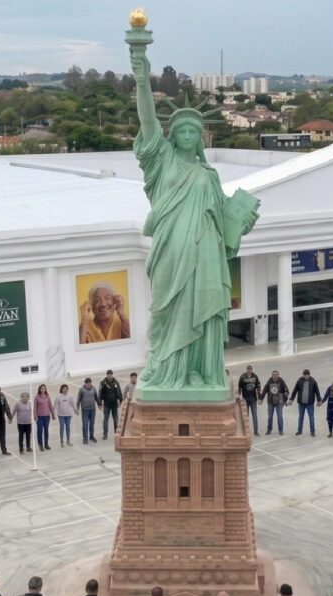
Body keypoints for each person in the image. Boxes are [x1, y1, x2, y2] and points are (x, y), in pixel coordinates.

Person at [129, 43, 256, 394]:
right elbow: (147, 119)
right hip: (170, 249)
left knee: (204, 309)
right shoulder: (161, 161)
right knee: (167, 311)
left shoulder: (209, 175)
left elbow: (222, 217)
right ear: (172, 135)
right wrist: (142, 77)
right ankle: (166, 369)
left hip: (206, 253)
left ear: (200, 138)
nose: (186, 135)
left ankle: (199, 371)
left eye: (193, 132)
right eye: (181, 130)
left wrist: (240, 222)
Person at [288, 369, 322, 437]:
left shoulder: (313, 381)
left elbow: (317, 392)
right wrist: (291, 399)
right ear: (303, 375)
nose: (306, 376)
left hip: (310, 403)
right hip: (301, 403)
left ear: (309, 375)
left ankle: (312, 431)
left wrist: (319, 400)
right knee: (300, 417)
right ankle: (299, 430)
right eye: (304, 375)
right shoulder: (299, 381)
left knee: (311, 417)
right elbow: (295, 390)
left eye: (307, 375)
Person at [259, 371, 289, 436]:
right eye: (274, 375)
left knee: (279, 416)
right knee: (270, 416)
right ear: (272, 375)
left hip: (279, 402)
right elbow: (264, 390)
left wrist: (285, 401)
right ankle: (269, 429)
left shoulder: (281, 381)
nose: (275, 376)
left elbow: (286, 391)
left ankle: (281, 430)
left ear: (278, 375)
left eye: (276, 375)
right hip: (270, 402)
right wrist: (261, 399)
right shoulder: (269, 382)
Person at [238, 366, 262, 436]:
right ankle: (246, 431)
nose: (249, 371)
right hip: (245, 398)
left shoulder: (255, 376)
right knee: (246, 416)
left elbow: (258, 387)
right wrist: (239, 396)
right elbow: (239, 386)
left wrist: (259, 397)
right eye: (248, 369)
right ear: (246, 370)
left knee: (254, 415)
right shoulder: (242, 377)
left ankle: (256, 430)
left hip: (253, 399)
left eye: (250, 369)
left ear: (251, 370)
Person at [99, 370, 123, 439]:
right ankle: (105, 434)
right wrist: (100, 403)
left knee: (116, 420)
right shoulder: (103, 383)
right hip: (106, 404)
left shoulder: (116, 382)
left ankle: (116, 433)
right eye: (108, 374)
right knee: (105, 419)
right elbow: (100, 393)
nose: (109, 376)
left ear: (112, 375)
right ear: (107, 375)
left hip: (114, 404)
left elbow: (119, 391)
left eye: (111, 374)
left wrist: (120, 401)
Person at [77, 378, 100, 445]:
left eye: (89, 382)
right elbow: (78, 399)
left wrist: (99, 404)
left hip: (92, 409)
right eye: (87, 383)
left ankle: (91, 436)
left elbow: (96, 397)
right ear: (85, 383)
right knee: (85, 424)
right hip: (85, 410)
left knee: (92, 424)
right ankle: (85, 438)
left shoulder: (93, 388)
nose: (88, 384)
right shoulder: (81, 390)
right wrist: (77, 408)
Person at [33, 385, 55, 452]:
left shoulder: (47, 396)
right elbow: (35, 407)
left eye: (44, 388)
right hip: (39, 417)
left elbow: (50, 406)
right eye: (42, 388)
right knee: (40, 431)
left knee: (46, 431)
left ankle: (46, 444)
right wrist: (35, 416)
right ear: (39, 389)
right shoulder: (37, 397)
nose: (43, 389)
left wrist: (53, 414)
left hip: (47, 416)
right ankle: (40, 445)